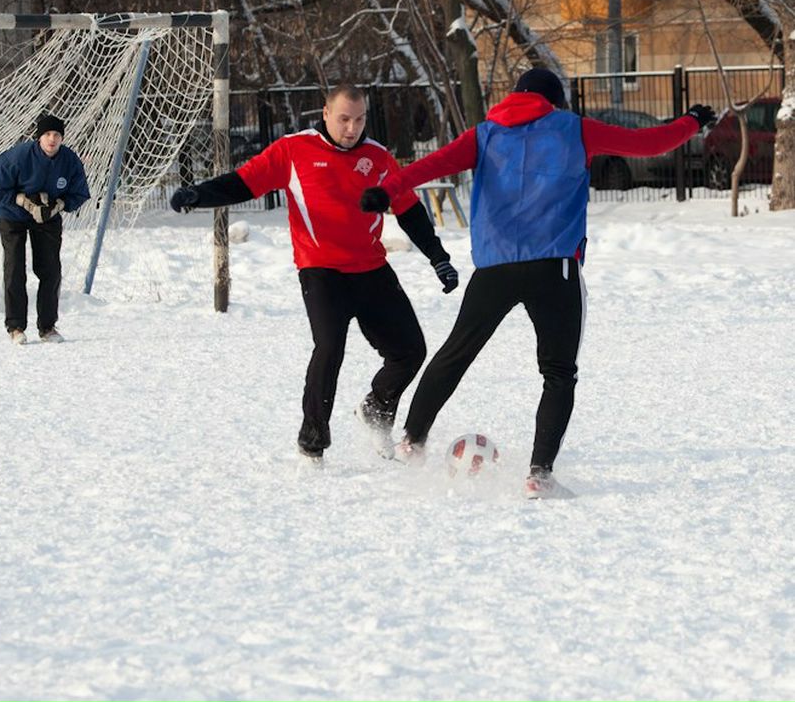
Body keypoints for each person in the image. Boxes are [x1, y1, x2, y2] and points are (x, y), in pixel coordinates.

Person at [367, 68, 715, 498]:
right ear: (555, 101)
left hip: (495, 269)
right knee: (558, 372)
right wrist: (692, 121)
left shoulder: (485, 134)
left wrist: (387, 191)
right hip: (554, 269)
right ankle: (539, 475)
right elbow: (649, 143)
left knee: (456, 352)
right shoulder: (574, 129)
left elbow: (430, 165)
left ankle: (412, 440)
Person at [170, 84, 460, 461]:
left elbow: (409, 210)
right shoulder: (294, 150)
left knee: (410, 351)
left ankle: (376, 409)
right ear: (325, 114)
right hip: (321, 271)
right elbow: (244, 182)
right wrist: (199, 194)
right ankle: (312, 444)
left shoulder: (378, 158)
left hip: (372, 269)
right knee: (329, 348)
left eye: (359, 120)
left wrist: (438, 256)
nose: (352, 128)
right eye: (344, 119)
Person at [0, 113, 91, 345]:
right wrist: (22, 200)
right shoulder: (17, 157)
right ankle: (15, 327)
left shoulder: (70, 161)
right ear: (39, 137)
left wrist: (59, 204)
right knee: (14, 268)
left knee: (50, 269)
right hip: (13, 216)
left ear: (62, 138)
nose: (52, 139)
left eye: (57, 135)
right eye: (47, 134)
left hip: (47, 217)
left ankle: (48, 327)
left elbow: (80, 192)